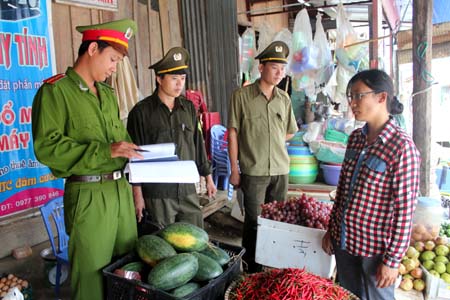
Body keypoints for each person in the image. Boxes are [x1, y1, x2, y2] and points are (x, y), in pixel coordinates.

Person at [32, 19, 143, 300]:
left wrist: (136, 155)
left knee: (127, 271)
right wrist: (106, 151)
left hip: (120, 192)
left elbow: (119, 140)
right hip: (89, 196)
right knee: (92, 279)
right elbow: (48, 148)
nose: (114, 67)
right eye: (113, 59)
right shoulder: (56, 92)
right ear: (93, 48)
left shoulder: (107, 94)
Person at [321, 69, 421, 300]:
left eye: (358, 95)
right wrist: (331, 229)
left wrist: (393, 260)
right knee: (345, 295)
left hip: (374, 252)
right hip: (344, 242)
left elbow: (404, 213)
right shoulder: (355, 138)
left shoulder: (401, 148)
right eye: (350, 96)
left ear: (381, 97)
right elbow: (343, 191)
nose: (352, 103)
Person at [228, 41, 298, 273]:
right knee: (254, 222)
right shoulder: (241, 96)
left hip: (280, 170)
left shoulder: (284, 99)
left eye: (283, 69)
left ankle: (275, 268)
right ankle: (251, 270)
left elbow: (289, 131)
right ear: (261, 67)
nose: (280, 73)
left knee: (278, 221)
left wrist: (273, 142)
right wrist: (235, 169)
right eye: (275, 67)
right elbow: (233, 133)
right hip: (254, 171)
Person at [127, 47, 217, 229]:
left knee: (194, 240)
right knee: (163, 245)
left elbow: (197, 143)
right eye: (174, 79)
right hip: (157, 194)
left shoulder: (189, 108)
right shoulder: (141, 112)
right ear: (159, 79)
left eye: (182, 79)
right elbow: (133, 156)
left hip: (187, 190)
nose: (179, 85)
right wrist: (138, 195)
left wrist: (208, 177)